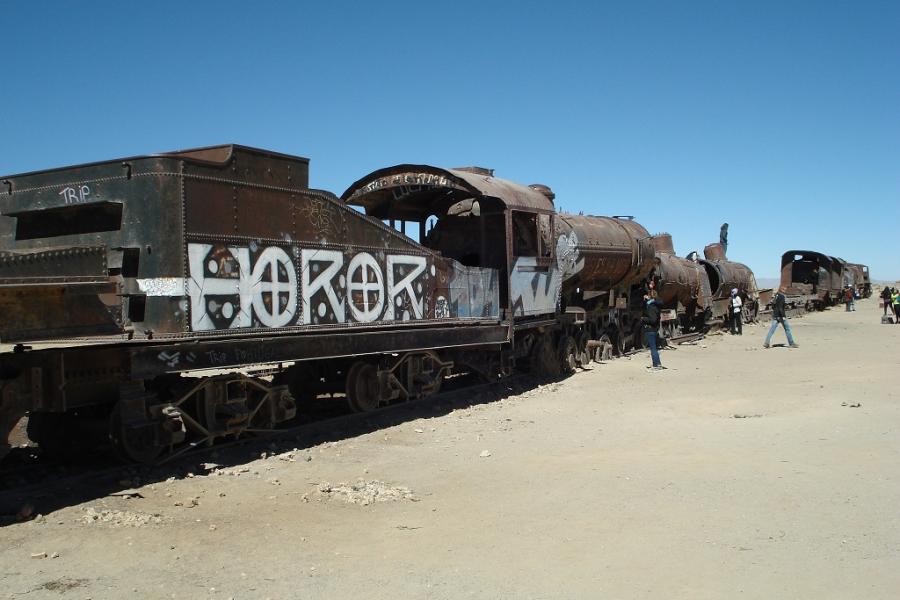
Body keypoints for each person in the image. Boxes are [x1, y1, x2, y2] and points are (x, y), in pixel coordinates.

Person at [642, 289, 665, 369]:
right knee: (654, 347)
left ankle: (656, 365)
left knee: (653, 348)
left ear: (650, 296)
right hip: (654, 329)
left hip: (650, 329)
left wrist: (643, 319)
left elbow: (653, 319)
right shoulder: (655, 305)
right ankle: (657, 363)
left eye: (647, 295)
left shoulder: (652, 307)